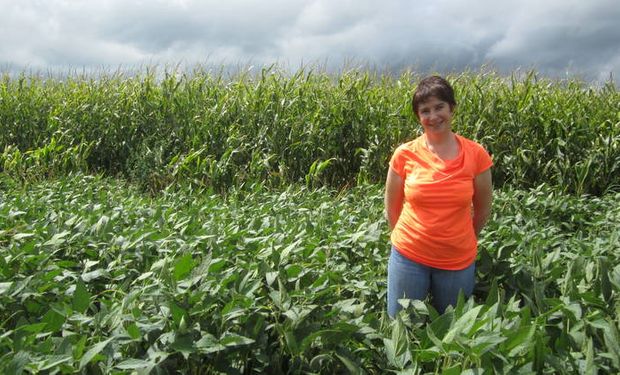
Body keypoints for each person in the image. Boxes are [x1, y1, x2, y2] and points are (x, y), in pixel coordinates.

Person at [385, 75, 493, 317]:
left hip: (457, 260)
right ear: (418, 117)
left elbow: (484, 208)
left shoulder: (476, 155)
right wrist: (406, 241)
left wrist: (463, 238)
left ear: (452, 108)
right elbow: (392, 208)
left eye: (439, 107)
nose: (433, 116)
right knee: (403, 326)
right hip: (408, 257)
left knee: (453, 330)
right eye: (425, 111)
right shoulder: (404, 155)